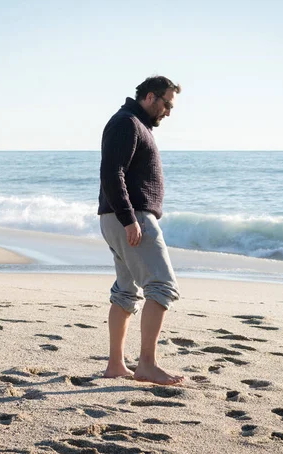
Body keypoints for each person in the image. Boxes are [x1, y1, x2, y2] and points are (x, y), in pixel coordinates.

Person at [98, 75, 184, 386]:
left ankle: (116, 365)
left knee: (126, 291)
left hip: (118, 217)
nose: (168, 112)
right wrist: (129, 218)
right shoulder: (127, 122)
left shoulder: (134, 123)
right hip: (130, 217)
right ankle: (146, 364)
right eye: (166, 104)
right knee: (162, 285)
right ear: (150, 96)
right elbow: (112, 171)